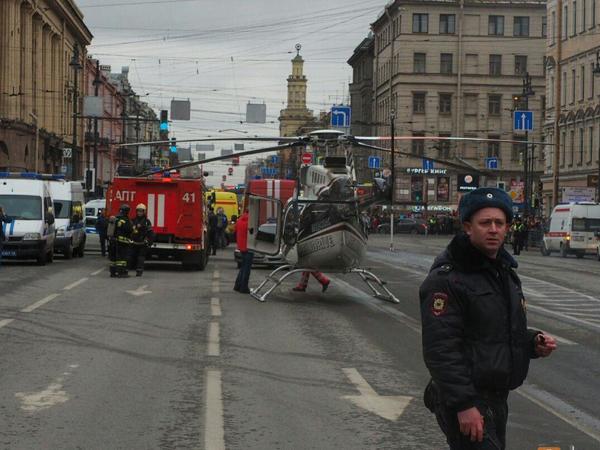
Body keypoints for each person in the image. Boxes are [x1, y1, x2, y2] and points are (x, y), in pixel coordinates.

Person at [420, 187, 557, 450]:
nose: (493, 229)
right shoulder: (448, 278)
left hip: (496, 398)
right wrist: (464, 405)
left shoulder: (502, 272)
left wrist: (532, 343)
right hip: (467, 398)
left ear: (507, 228)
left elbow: (495, 330)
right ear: (468, 227)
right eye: (485, 223)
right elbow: (441, 349)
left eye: (499, 223)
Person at [129, 203, 155, 277]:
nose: (139, 213)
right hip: (133, 242)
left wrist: (150, 242)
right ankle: (127, 269)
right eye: (138, 211)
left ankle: (139, 271)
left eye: (141, 211)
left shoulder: (147, 222)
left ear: (144, 212)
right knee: (130, 256)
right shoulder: (133, 220)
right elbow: (129, 230)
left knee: (141, 258)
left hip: (142, 243)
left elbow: (150, 233)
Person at [108, 204, 133, 278]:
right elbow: (129, 230)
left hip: (113, 241)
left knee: (113, 258)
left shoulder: (115, 218)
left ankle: (112, 273)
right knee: (122, 259)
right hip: (122, 243)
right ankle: (121, 273)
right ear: (127, 211)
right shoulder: (125, 220)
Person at [234, 210, 253, 294]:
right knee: (246, 269)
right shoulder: (250, 222)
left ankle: (237, 285)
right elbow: (252, 233)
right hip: (248, 247)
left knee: (243, 267)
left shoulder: (239, 220)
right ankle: (244, 287)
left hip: (241, 246)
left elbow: (235, 230)